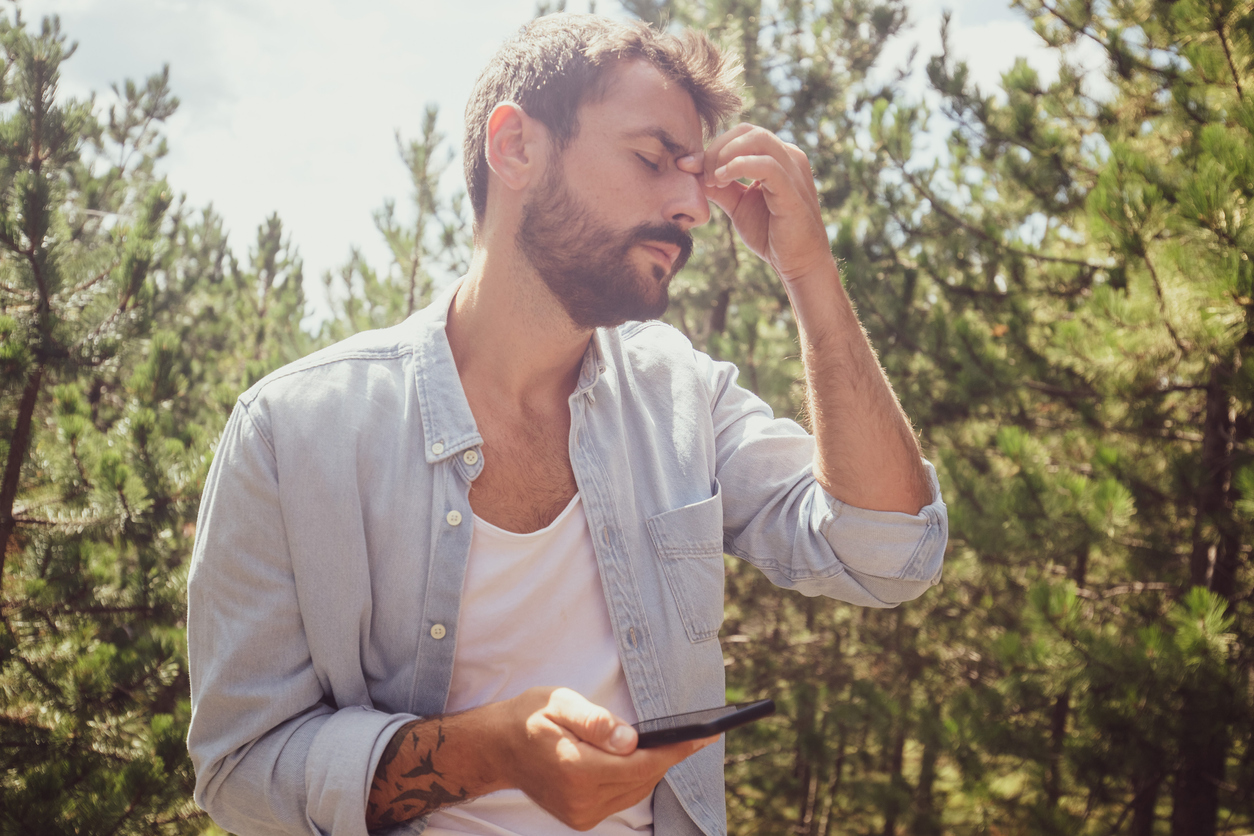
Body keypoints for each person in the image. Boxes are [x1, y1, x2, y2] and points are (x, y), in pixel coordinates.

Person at [186, 13, 947, 836]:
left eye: (697, 176)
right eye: (654, 160)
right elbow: (240, 771)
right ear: (516, 148)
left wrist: (809, 269)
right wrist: (495, 752)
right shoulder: (292, 431)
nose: (694, 205)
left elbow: (888, 554)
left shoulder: (681, 396)